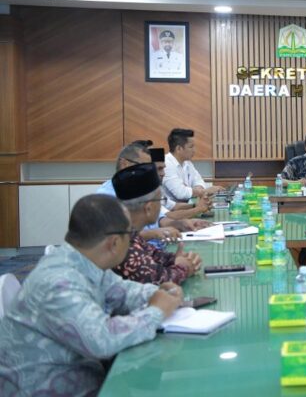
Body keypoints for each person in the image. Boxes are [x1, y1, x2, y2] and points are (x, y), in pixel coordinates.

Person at [0, 194, 183, 395]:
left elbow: (122, 292)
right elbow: (103, 340)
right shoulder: (58, 282)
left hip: (81, 376)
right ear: (113, 243)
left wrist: (160, 293)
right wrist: (156, 311)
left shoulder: (84, 263)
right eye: (130, 235)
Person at [113, 163, 202, 284]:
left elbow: (155, 255)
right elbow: (158, 279)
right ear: (148, 208)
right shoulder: (121, 243)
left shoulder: (130, 233)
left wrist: (176, 258)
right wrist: (184, 267)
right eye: (161, 200)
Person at [149, 147, 212, 220]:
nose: (163, 173)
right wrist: (198, 209)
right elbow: (169, 216)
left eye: (163, 168)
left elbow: (174, 206)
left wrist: (195, 205)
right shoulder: (146, 192)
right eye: (159, 169)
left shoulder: (157, 188)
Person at [162, 128, 223, 202]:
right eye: (191, 147)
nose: (194, 150)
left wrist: (196, 190)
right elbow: (180, 193)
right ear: (178, 149)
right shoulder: (166, 164)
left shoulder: (187, 162)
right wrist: (203, 192)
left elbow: (199, 181)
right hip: (172, 211)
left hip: (186, 207)